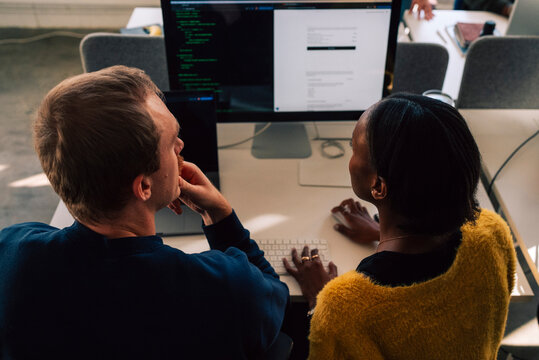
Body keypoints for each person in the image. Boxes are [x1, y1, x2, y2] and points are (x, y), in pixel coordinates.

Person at [0, 65, 289, 359]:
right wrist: (221, 216)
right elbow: (274, 298)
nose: (181, 145)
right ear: (144, 187)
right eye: (171, 143)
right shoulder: (226, 288)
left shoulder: (10, 251)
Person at [283, 93, 516, 359]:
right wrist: (380, 229)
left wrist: (318, 303)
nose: (351, 156)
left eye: (354, 148)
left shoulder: (345, 307)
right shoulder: (492, 232)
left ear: (378, 186)